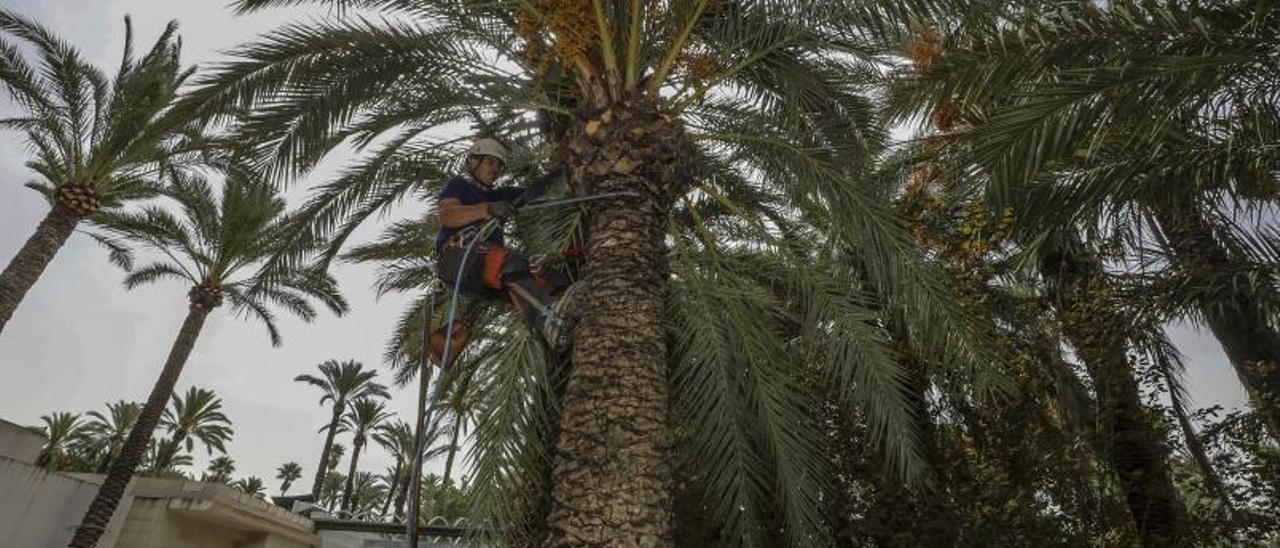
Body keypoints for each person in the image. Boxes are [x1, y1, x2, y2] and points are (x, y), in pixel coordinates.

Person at [434, 138, 567, 352]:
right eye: (490, 162)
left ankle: (564, 322)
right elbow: (447, 215)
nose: (495, 169)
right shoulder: (459, 185)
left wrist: (565, 177)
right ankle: (551, 322)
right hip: (457, 259)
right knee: (511, 264)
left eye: (499, 166)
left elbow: (533, 193)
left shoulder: (500, 195)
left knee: (546, 277)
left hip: (485, 269)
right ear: (473, 162)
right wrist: (487, 209)